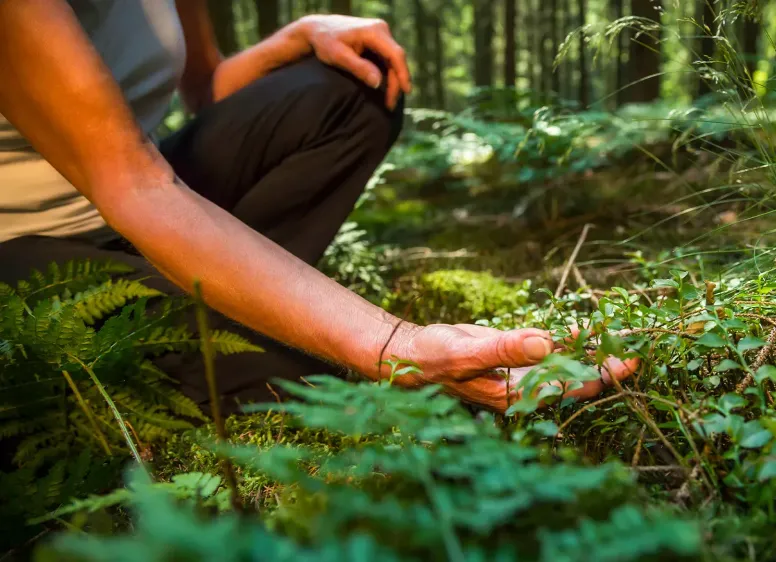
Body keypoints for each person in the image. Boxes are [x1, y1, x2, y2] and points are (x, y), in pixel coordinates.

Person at [0, 0, 637, 415]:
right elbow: (133, 187)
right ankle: (212, 341)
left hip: (153, 188)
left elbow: (205, 91)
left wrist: (299, 36)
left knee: (352, 87)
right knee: (330, 373)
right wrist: (397, 344)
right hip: (32, 242)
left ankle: (228, 309)